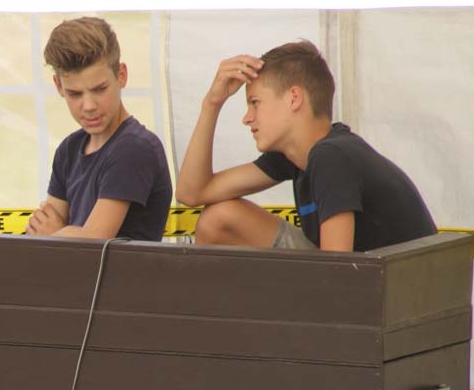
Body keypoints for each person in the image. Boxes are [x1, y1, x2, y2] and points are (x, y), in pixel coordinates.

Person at [174, 40, 436, 251]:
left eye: (255, 103)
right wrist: (212, 103)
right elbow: (191, 193)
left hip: (393, 295)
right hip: (364, 282)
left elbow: (337, 272)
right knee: (217, 218)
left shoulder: (330, 156)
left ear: (294, 98)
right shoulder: (296, 155)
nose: (247, 118)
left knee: (219, 219)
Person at [25, 17, 172, 241]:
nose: (89, 106)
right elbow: (40, 232)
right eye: (75, 94)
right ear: (58, 86)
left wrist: (55, 233)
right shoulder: (68, 149)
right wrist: (56, 234)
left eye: (100, 89)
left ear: (121, 75)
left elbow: (93, 241)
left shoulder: (135, 148)